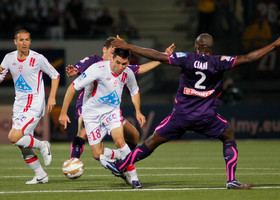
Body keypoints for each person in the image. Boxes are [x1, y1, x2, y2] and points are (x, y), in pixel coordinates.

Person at [100, 34, 280, 189]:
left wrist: (129, 46)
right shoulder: (219, 62)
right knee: (228, 136)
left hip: (180, 117)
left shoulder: (187, 58)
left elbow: (157, 56)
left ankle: (122, 164)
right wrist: (273, 44)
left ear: (197, 47)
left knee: (151, 142)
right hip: (207, 118)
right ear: (210, 48)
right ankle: (231, 180)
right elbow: (248, 58)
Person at [58, 48, 146, 189]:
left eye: (124, 64)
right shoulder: (98, 68)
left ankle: (134, 178)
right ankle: (117, 158)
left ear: (128, 62)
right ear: (112, 59)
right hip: (91, 115)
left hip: (112, 112)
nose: (120, 67)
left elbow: (134, 91)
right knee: (97, 154)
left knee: (120, 140)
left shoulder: (128, 73)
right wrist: (63, 112)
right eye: (118, 62)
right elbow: (72, 87)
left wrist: (138, 111)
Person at [0, 29, 60, 184]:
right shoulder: (8, 58)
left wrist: (52, 96)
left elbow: (55, 75)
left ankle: (42, 144)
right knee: (23, 145)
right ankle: (41, 175)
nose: (24, 43)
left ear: (30, 41)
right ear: (15, 42)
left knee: (14, 137)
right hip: (19, 104)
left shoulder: (38, 58)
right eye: (21, 40)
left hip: (34, 103)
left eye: (27, 39)